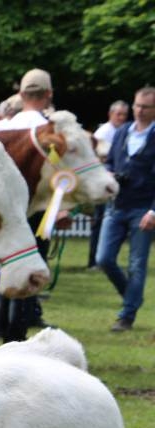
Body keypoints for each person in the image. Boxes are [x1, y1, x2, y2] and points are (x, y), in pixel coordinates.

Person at [0, 68, 58, 342]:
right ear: (48, 94)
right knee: (29, 274)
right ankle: (16, 337)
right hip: (35, 213)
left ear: (21, 94)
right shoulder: (52, 133)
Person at [95, 86, 155, 333]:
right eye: (137, 105)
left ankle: (126, 315)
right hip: (116, 205)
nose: (139, 111)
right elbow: (110, 161)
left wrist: (153, 212)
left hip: (143, 208)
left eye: (146, 107)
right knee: (104, 259)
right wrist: (108, 173)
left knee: (137, 264)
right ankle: (132, 297)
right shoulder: (121, 133)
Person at [90, 100, 131, 267]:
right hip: (103, 183)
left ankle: (104, 258)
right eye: (118, 114)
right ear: (110, 114)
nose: (121, 118)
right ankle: (94, 260)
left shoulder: (125, 131)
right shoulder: (103, 132)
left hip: (116, 183)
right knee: (99, 222)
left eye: (124, 115)